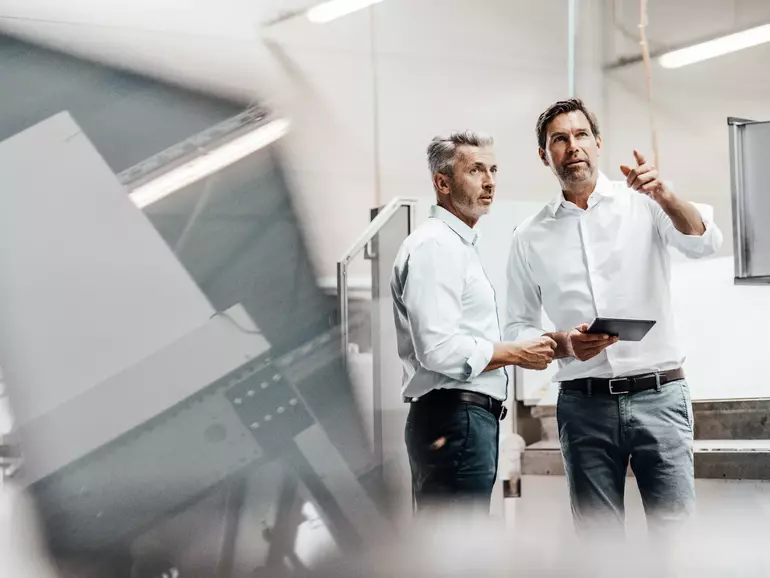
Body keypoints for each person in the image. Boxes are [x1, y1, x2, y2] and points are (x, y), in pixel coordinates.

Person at [504, 99, 723, 535]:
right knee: (598, 550)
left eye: (581, 135)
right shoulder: (529, 237)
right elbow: (516, 327)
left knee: (676, 540)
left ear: (598, 143)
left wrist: (666, 194)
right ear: (544, 155)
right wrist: (565, 344)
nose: (573, 147)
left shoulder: (644, 202)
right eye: (559, 140)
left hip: (659, 394)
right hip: (583, 407)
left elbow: (704, 241)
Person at [390, 131, 557, 514]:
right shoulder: (436, 246)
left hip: (461, 419)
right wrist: (516, 353)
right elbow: (437, 350)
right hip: (455, 417)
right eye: (476, 170)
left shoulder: (456, 246)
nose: (490, 181)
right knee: (458, 552)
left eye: (493, 169)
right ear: (443, 182)